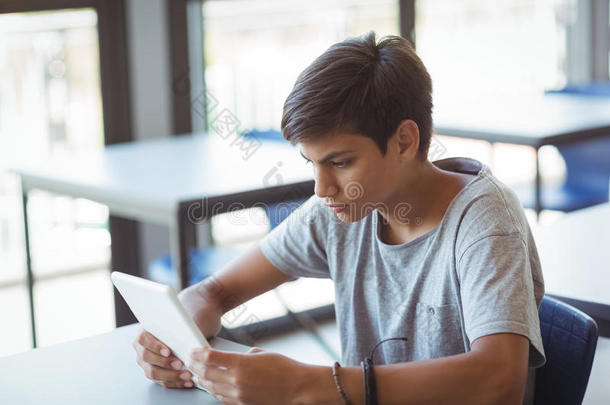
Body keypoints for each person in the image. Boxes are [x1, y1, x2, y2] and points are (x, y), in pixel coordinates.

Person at [132, 31, 545, 405]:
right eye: (312, 164)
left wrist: (307, 386)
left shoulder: (485, 221)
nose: (321, 188)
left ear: (404, 140)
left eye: (341, 162)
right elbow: (216, 293)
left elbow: (498, 381)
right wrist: (176, 331)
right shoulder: (344, 209)